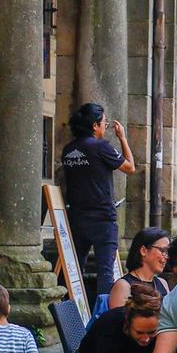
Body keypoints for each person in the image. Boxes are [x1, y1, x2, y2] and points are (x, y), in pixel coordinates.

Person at [61, 102, 136, 297]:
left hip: (76, 217)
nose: (105, 126)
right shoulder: (100, 147)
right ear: (94, 125)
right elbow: (130, 167)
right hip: (102, 218)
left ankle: (71, 308)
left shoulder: (68, 150)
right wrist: (122, 138)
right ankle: (104, 313)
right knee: (105, 272)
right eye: (104, 122)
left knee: (74, 268)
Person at [107, 227, 170, 310]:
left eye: (167, 251)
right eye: (162, 250)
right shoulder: (123, 286)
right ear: (143, 250)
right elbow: (119, 321)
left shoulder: (163, 283)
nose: (166, 256)